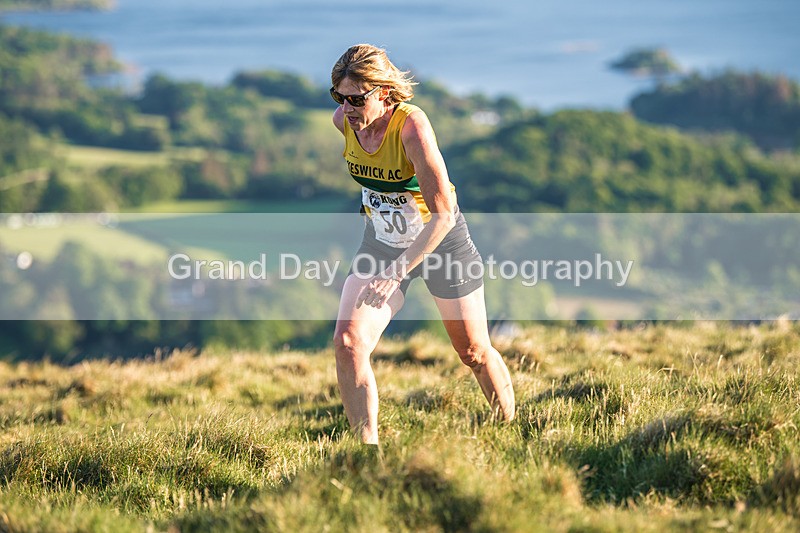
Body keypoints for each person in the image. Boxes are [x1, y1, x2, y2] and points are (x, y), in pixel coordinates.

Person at [330, 44, 515, 445]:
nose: (347, 108)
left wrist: (397, 272)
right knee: (348, 344)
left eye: (356, 99)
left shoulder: (411, 128)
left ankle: (509, 431)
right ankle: (366, 454)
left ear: (383, 92)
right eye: (339, 97)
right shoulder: (344, 122)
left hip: (441, 243)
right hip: (382, 243)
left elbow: (443, 215)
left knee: (473, 352)